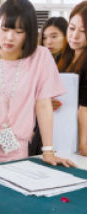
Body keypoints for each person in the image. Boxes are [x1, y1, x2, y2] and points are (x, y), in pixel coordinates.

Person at [0, 0, 76, 169]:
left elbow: (43, 105)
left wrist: (48, 151)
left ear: (30, 33)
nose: (9, 37)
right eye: (4, 29)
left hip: (14, 147)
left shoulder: (41, 57)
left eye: (19, 31)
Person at [28, 16, 68, 156]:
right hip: (39, 128)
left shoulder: (72, 63)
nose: (48, 42)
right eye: (44, 38)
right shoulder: (40, 62)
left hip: (63, 128)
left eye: (54, 36)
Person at [57, 1, 87, 156]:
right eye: (72, 28)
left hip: (77, 135)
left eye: (83, 31)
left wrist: (83, 145)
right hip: (61, 130)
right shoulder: (63, 58)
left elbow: (84, 108)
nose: (75, 35)